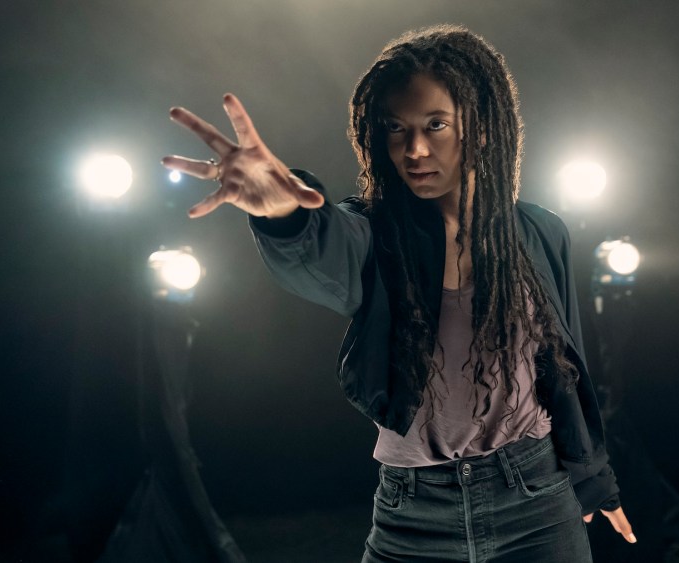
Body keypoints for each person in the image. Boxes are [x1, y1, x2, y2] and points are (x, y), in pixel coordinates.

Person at [163, 24, 635, 562]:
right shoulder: (375, 233)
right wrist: (283, 214)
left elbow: (564, 368)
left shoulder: (541, 233)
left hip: (535, 502)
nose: (413, 149)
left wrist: (592, 479)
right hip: (413, 513)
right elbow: (322, 249)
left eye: (436, 125)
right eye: (395, 128)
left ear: (480, 127)